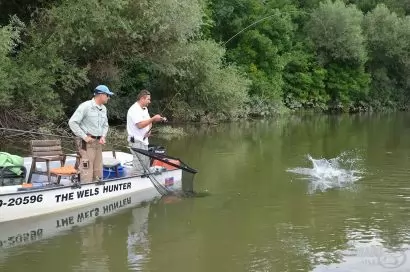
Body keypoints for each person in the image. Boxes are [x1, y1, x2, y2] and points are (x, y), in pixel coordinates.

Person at [68, 85, 113, 183]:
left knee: (98, 170)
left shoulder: (104, 109)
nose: (109, 98)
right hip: (86, 143)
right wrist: (84, 137)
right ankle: (85, 188)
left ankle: (97, 189)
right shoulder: (85, 106)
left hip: (98, 143)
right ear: (100, 95)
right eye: (107, 95)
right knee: (87, 170)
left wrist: (103, 136)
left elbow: (105, 125)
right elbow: (72, 122)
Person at [126, 90, 166, 174]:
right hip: (136, 142)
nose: (150, 101)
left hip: (144, 141)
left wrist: (149, 130)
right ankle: (134, 182)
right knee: (138, 167)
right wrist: (153, 118)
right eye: (148, 99)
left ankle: (143, 182)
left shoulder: (145, 109)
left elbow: (149, 122)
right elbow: (140, 125)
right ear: (142, 98)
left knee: (146, 164)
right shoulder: (134, 109)